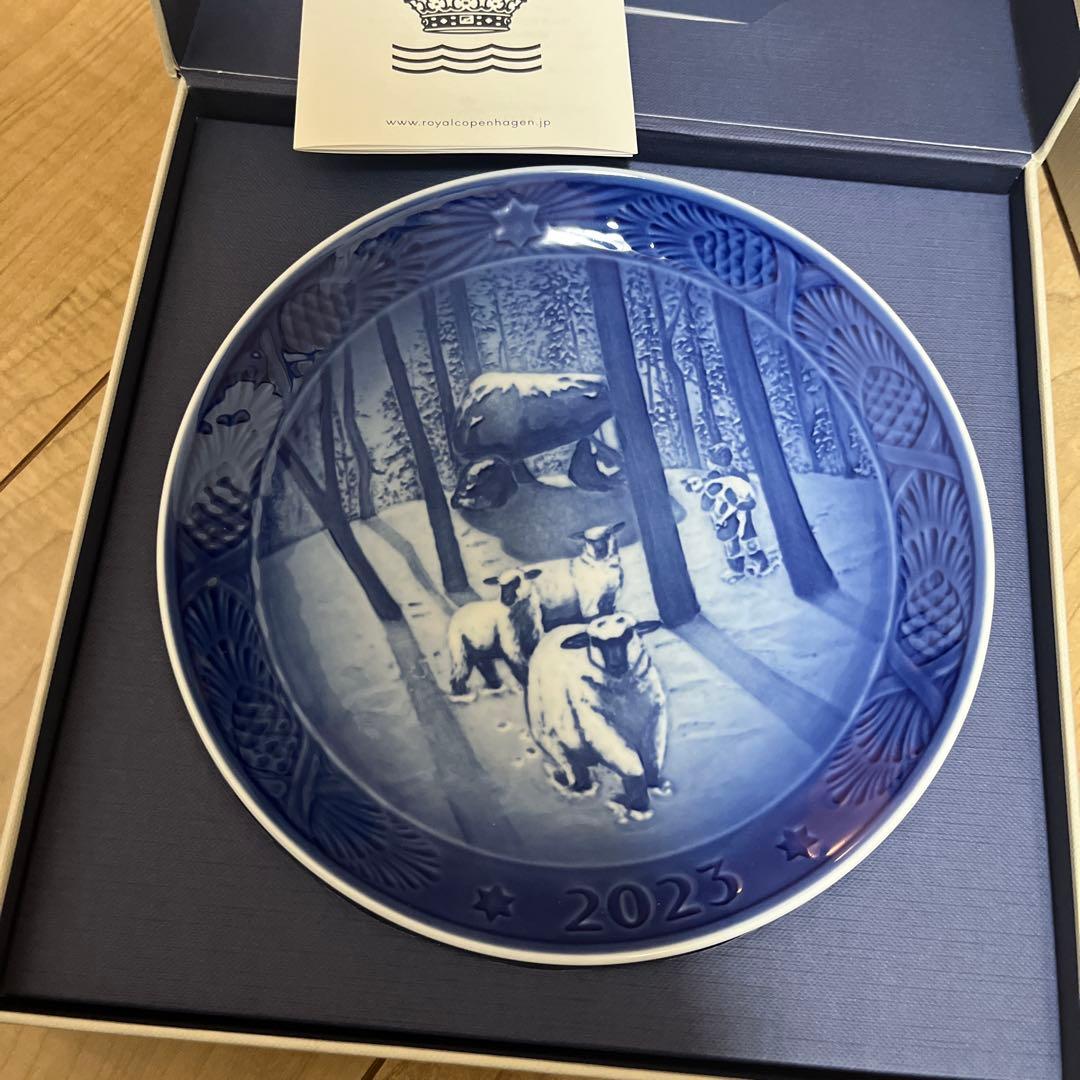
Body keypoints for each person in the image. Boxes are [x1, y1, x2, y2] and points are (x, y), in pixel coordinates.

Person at [685, 443, 771, 580]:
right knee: (745, 538)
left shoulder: (715, 478)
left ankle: (739, 569)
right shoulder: (737, 474)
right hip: (740, 513)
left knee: (733, 542)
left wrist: (707, 499)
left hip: (727, 515)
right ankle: (759, 564)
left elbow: (706, 504)